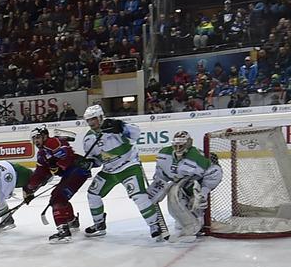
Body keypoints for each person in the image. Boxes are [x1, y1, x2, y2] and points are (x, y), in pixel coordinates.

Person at [82, 104, 169, 241]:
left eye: (93, 119)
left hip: (128, 166)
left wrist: (120, 126)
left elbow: (136, 133)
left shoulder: (114, 127)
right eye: (88, 120)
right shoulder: (88, 139)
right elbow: (97, 160)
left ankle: (154, 225)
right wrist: (89, 163)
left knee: (138, 196)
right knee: (93, 194)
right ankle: (99, 224)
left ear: (100, 117)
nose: (91, 123)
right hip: (109, 171)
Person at [21, 125, 92, 243]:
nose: (36, 141)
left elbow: (66, 152)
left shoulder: (52, 142)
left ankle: (63, 231)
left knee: (57, 198)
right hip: (71, 174)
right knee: (60, 197)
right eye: (34, 139)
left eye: (38, 137)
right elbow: (40, 173)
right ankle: (71, 221)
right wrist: (29, 189)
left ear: (44, 136)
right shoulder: (42, 154)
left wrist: (57, 162)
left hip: (77, 171)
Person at [146, 131, 223, 238]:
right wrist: (156, 190)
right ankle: (183, 219)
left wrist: (204, 191)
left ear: (188, 143)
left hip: (195, 184)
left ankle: (198, 217)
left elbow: (215, 171)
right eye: (176, 144)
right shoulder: (164, 154)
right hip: (178, 184)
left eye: (181, 144)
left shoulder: (197, 157)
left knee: (191, 198)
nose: (178, 148)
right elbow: (161, 175)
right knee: (173, 194)